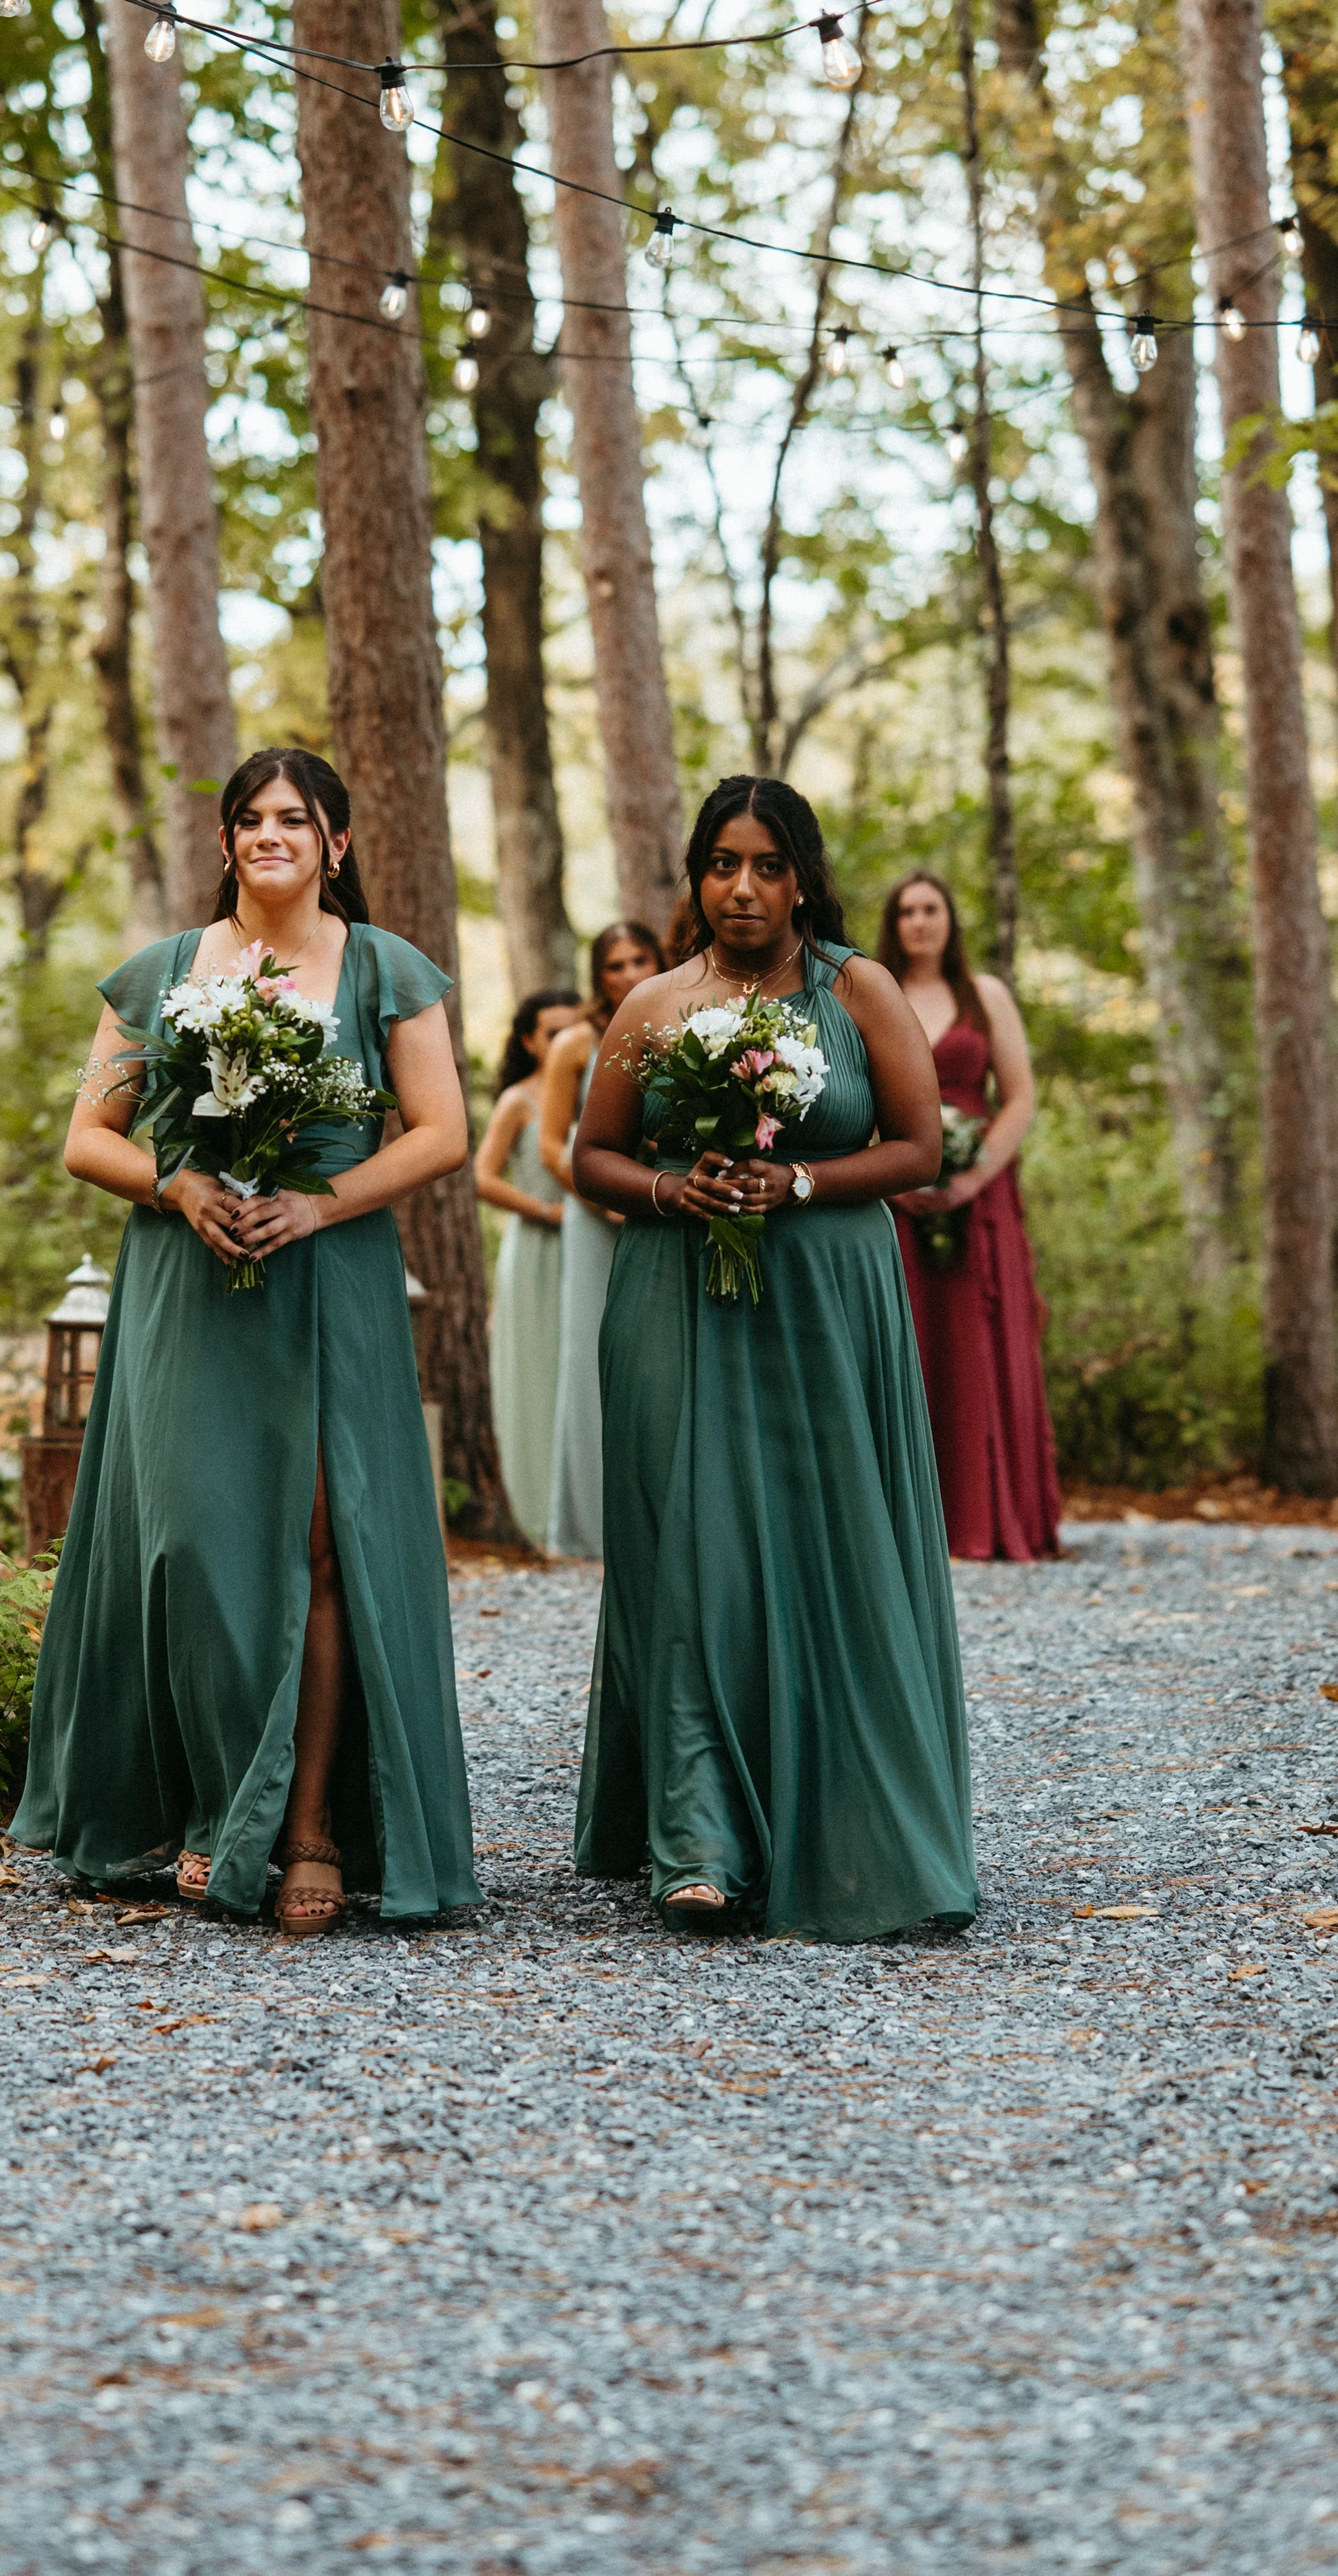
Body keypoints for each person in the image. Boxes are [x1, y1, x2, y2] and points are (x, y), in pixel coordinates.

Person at [11, 748, 481, 1939]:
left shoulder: (386, 969)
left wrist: (323, 1202)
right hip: (189, 1278)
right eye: (251, 819)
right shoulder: (166, 971)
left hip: (332, 1275)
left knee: (327, 1543)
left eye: (297, 817)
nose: (272, 834)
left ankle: (310, 1824)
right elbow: (88, 1136)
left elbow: (440, 1133)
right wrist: (176, 1184)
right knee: (194, 1546)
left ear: (339, 843)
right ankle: (214, 1804)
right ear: (224, 843)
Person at [571, 776, 978, 1940]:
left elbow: (913, 1146)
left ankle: (842, 1809)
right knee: (694, 1545)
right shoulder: (653, 1002)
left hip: (825, 1298)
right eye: (720, 864)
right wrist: (669, 1184)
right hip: (676, 1295)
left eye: (765, 865)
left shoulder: (861, 990)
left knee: (826, 1543)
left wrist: (795, 1177)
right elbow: (590, 1157)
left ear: (802, 876)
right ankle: (699, 1839)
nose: (741, 887)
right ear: (696, 877)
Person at [879, 871, 1062, 1563]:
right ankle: (910, 1524)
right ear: (893, 923)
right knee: (910, 1341)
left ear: (950, 918)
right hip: (896, 1191)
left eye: (931, 909)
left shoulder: (984, 996)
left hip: (978, 1195)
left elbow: (1018, 1096)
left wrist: (972, 1175)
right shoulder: (874, 992)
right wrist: (893, 1173)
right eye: (906, 911)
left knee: (976, 1347)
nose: (920, 922)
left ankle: (989, 1515)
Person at [539, 921, 668, 1557]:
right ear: (598, 974)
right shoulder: (574, 1044)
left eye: (638, 958)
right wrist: (611, 1201)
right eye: (613, 963)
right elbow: (550, 1144)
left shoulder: (679, 1024)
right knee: (591, 1355)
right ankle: (590, 1523)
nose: (627, 973)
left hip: (668, 1212)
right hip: (596, 1220)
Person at [473, 987, 584, 1547]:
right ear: (528, 1041)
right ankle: (540, 1517)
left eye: (572, 1028)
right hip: (538, 1247)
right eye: (551, 1032)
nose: (563, 1040)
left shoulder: (594, 1086)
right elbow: (483, 1176)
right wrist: (546, 1210)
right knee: (539, 1371)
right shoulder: (518, 1099)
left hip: (591, 1244)